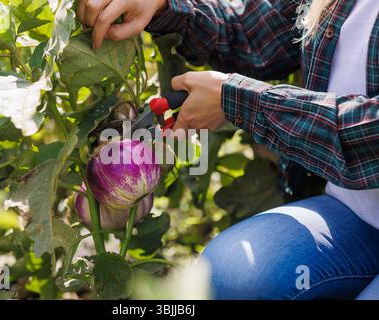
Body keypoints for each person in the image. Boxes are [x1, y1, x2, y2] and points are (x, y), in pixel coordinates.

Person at [77, 0, 379, 299]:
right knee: (230, 273)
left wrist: (240, 101)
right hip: (356, 212)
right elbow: (254, 35)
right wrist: (161, 6)